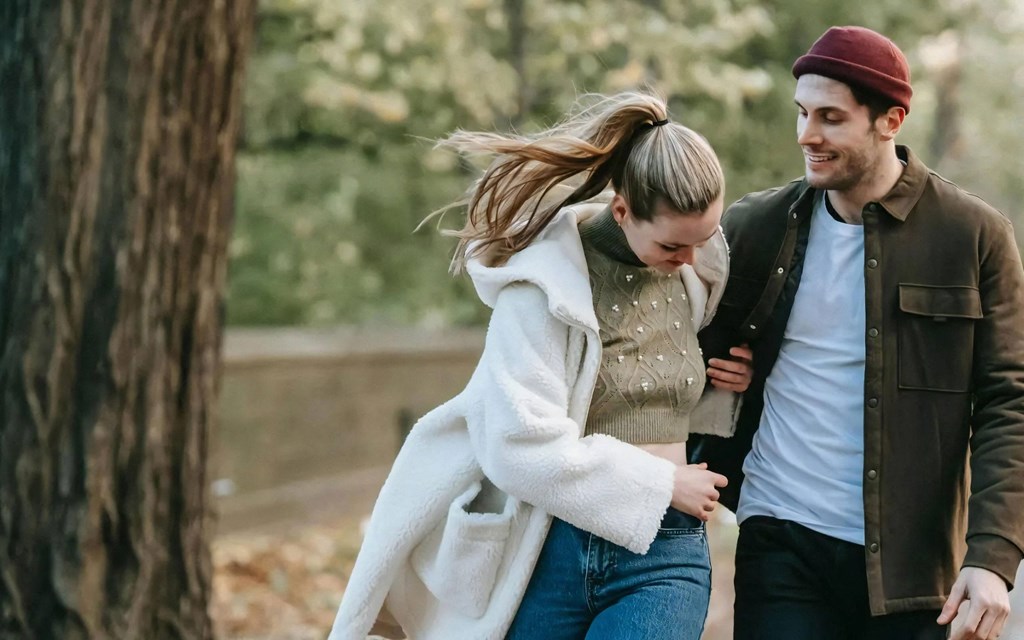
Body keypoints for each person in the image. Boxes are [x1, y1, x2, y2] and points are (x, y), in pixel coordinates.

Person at [328, 91, 753, 640]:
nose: (690, 260)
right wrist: (659, 483)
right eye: (674, 245)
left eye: (701, 241)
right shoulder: (543, 290)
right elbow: (518, 445)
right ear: (622, 211)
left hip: (664, 550)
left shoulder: (695, 277)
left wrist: (726, 382)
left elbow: (664, 380)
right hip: (550, 551)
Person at [690, 25, 1024, 640]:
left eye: (830, 118)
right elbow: (680, 343)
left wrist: (992, 557)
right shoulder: (756, 226)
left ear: (890, 120)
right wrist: (724, 375)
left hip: (915, 565)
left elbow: (1009, 402)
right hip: (779, 535)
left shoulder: (974, 237)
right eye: (802, 114)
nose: (806, 136)